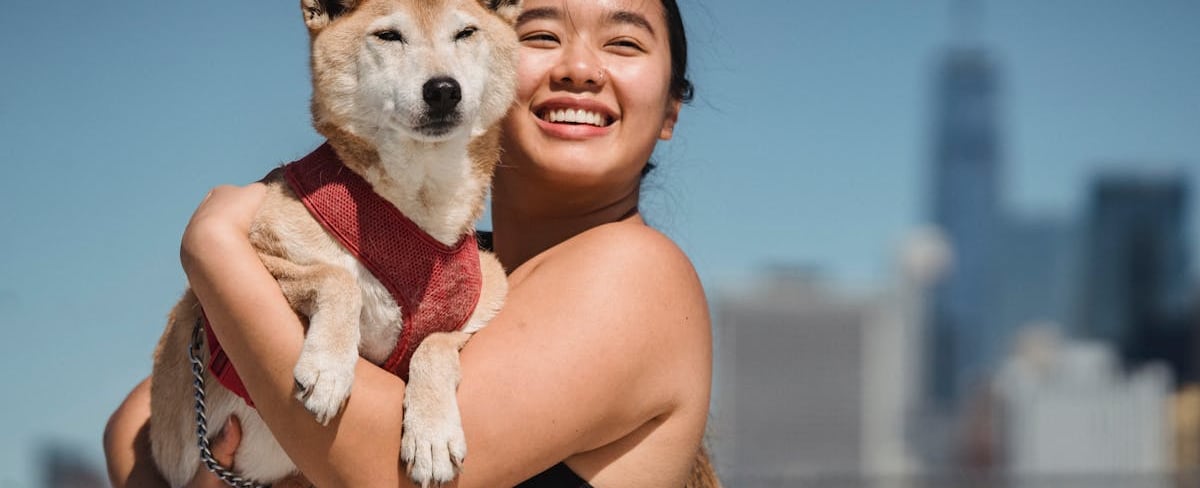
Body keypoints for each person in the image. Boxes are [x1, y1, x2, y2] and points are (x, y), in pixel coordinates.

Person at [103, 0, 715, 486]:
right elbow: (137, 423)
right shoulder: (442, 268)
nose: (579, 67)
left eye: (625, 41)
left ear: (670, 111)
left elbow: (381, 473)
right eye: (541, 35)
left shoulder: (635, 273)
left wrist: (213, 246)